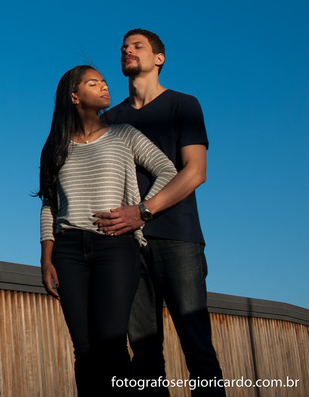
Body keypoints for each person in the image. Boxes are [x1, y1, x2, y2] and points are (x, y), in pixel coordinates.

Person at [94, 30, 227, 396]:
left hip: (178, 239)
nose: (127, 50)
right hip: (126, 247)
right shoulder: (110, 118)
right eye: (123, 47)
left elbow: (195, 171)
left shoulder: (183, 105)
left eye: (137, 46)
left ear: (159, 58)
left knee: (197, 348)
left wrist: (143, 211)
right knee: (145, 357)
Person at [37, 65, 182, 397]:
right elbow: (49, 204)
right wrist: (46, 258)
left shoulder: (124, 134)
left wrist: (140, 212)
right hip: (68, 250)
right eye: (93, 83)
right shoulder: (55, 147)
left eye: (104, 81)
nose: (104, 86)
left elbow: (167, 170)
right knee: (84, 348)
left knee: (113, 342)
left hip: (116, 247)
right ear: (74, 97)